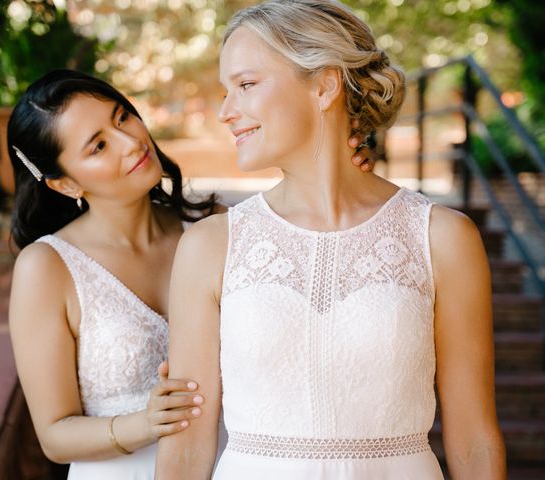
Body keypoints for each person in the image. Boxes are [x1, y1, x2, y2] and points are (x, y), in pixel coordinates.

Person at [155, 1, 506, 479]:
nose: (225, 112)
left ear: (324, 85)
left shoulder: (442, 238)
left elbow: (475, 441)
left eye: (246, 85)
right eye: (226, 91)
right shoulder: (210, 246)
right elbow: (187, 447)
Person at [7, 69, 375, 479]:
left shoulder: (214, 230)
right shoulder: (47, 267)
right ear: (64, 183)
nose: (132, 143)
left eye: (122, 117)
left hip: (236, 465)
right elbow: (54, 436)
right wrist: (146, 422)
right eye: (98, 146)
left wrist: (339, 172)